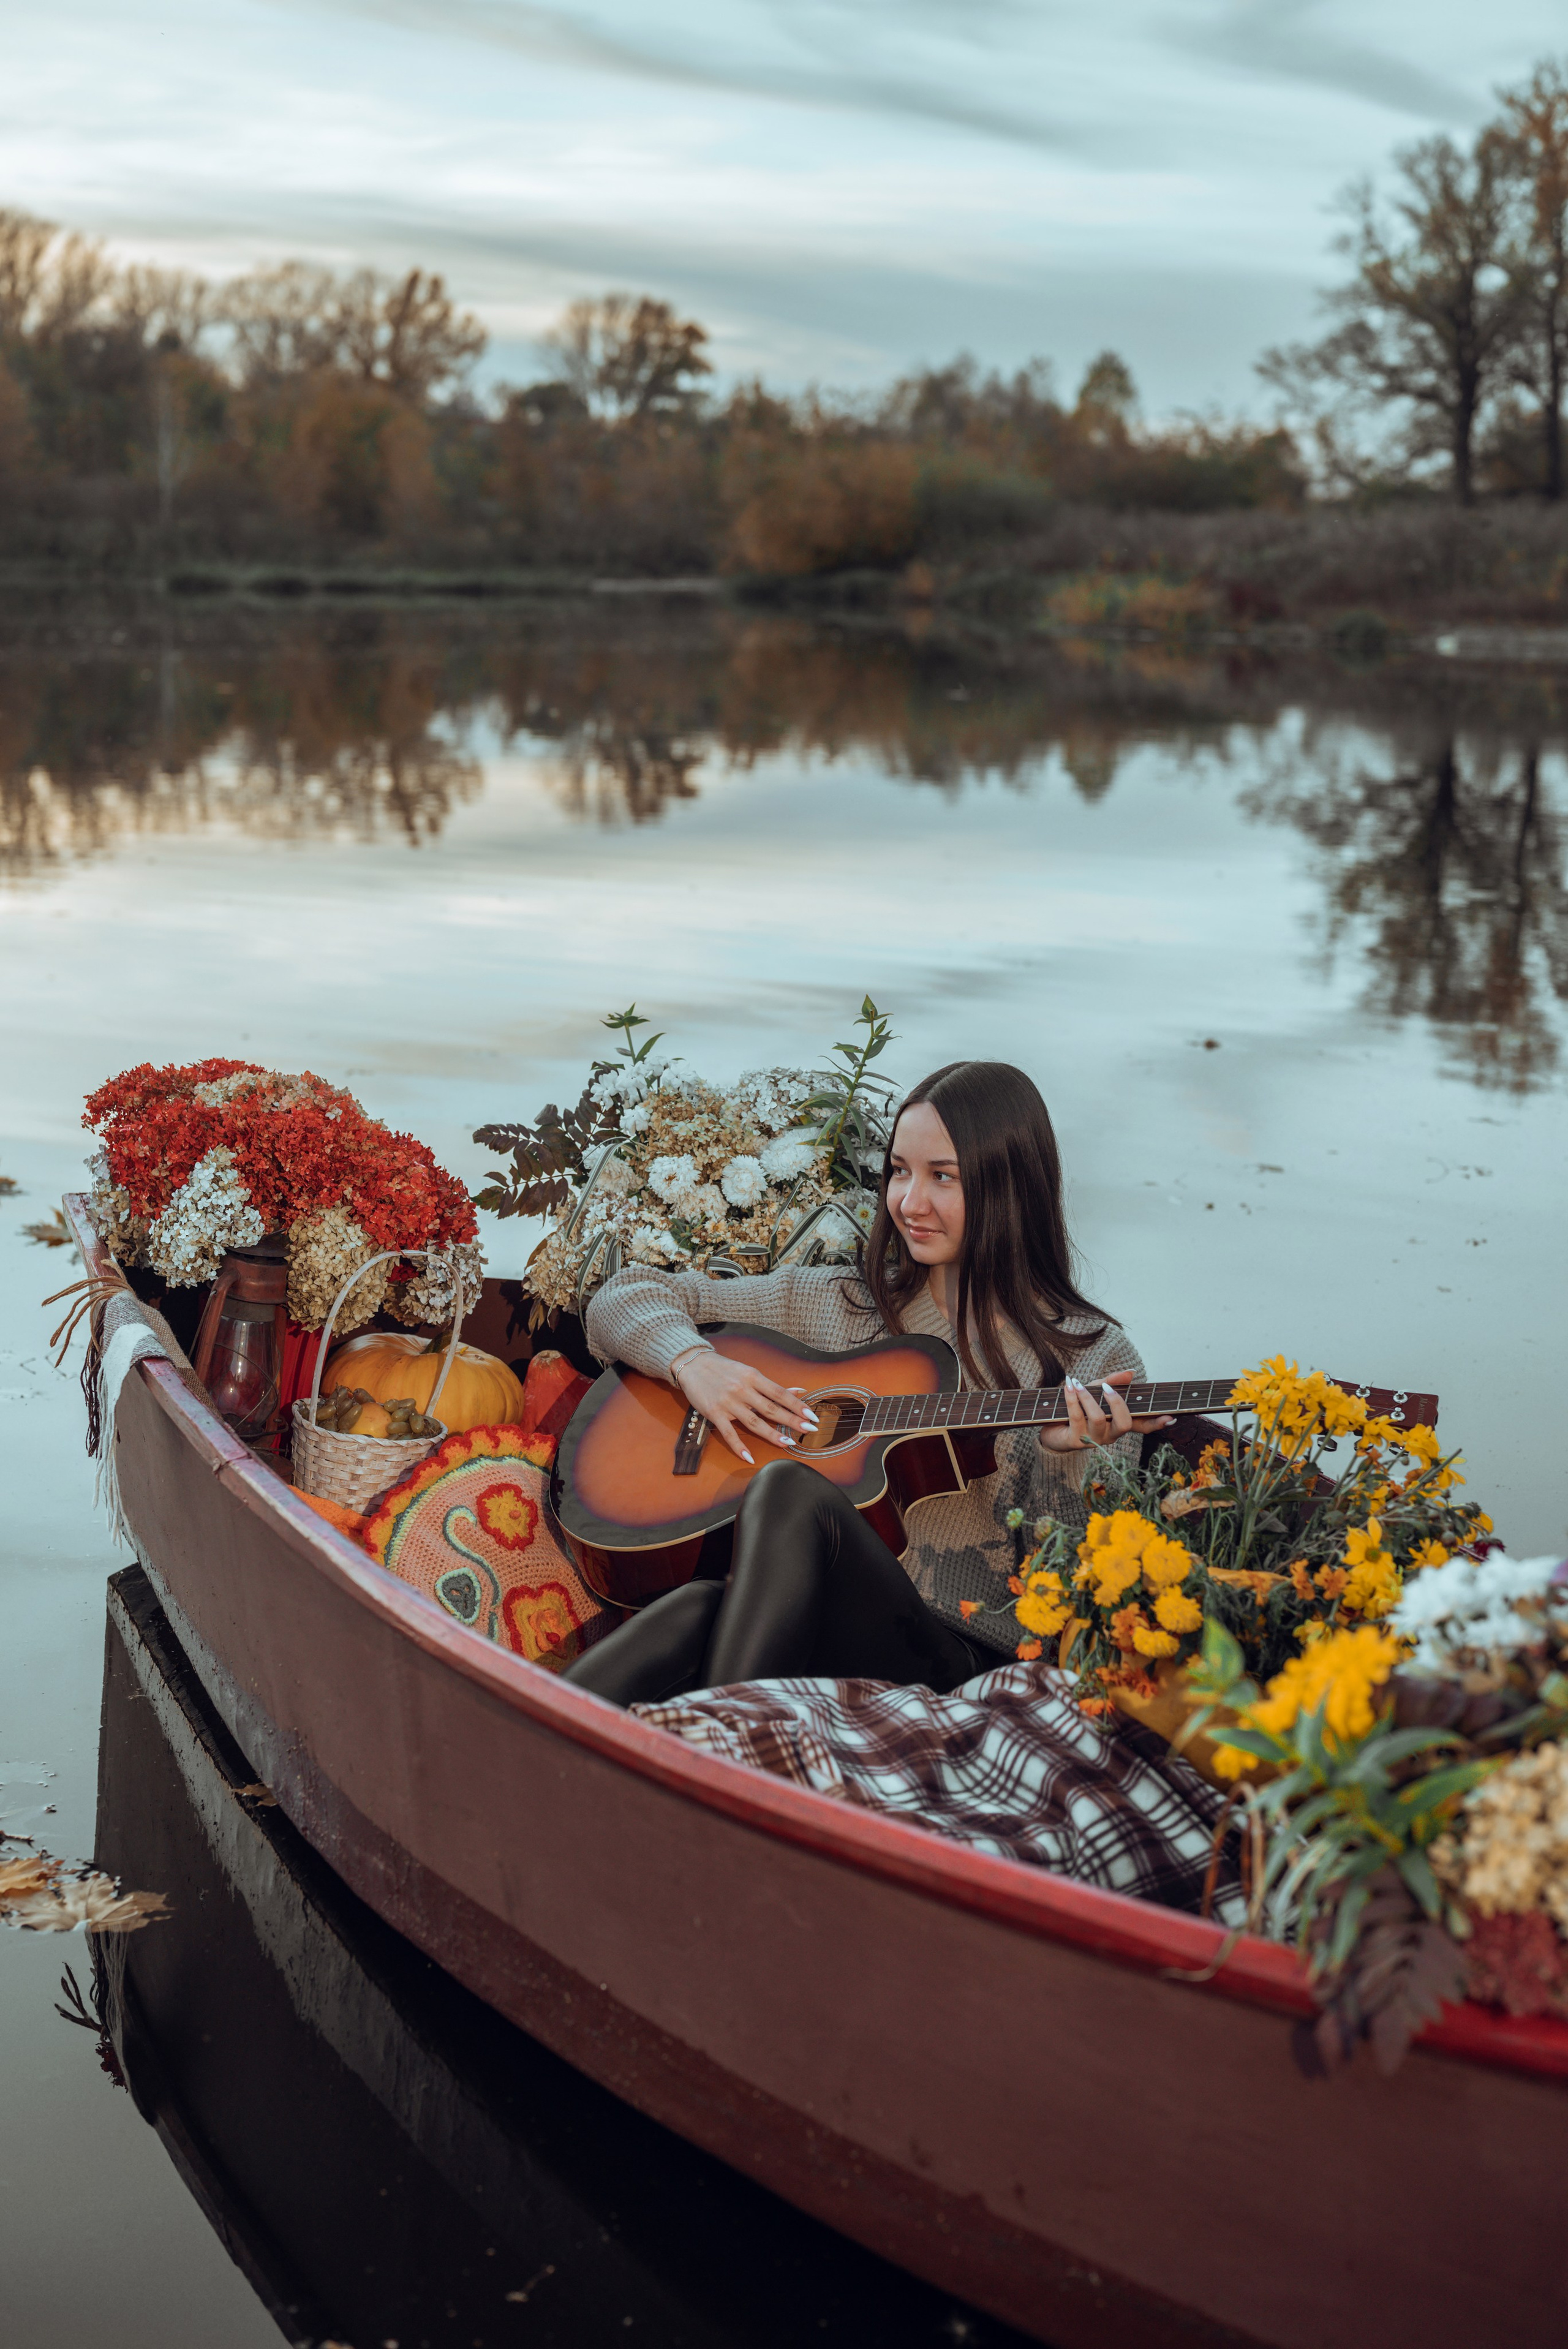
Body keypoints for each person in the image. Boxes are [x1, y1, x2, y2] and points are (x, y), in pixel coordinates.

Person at [563, 1060, 1170, 1706]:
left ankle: (710, 1752)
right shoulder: (842, 1302)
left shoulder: (1091, 1357)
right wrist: (696, 1364)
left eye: (943, 1177)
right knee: (696, 1606)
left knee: (790, 1490)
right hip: (814, 1621)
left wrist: (1064, 1462)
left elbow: (1079, 1603)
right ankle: (524, 1735)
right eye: (899, 1171)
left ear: (1009, 1185)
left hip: (956, 1656)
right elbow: (623, 1295)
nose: (909, 1202)